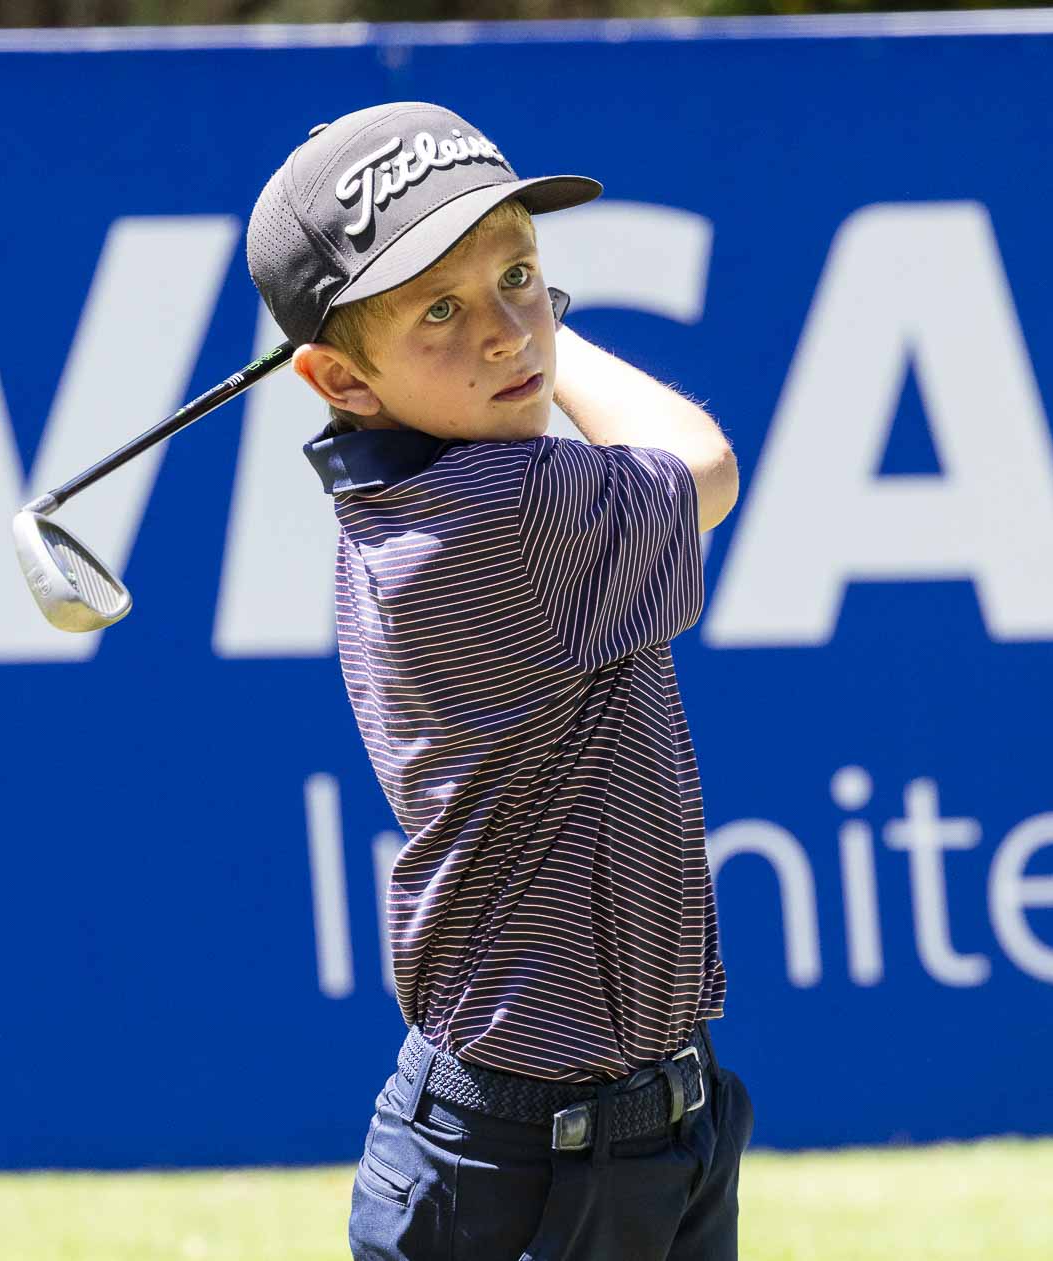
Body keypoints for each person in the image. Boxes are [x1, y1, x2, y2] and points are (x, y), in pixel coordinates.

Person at [246, 100, 753, 1261]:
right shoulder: (494, 514)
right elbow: (705, 464)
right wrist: (552, 335)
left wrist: (505, 326)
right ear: (339, 376)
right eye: (440, 308)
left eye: (519, 275)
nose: (505, 333)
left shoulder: (431, 488)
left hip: (643, 1130)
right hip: (525, 1177)